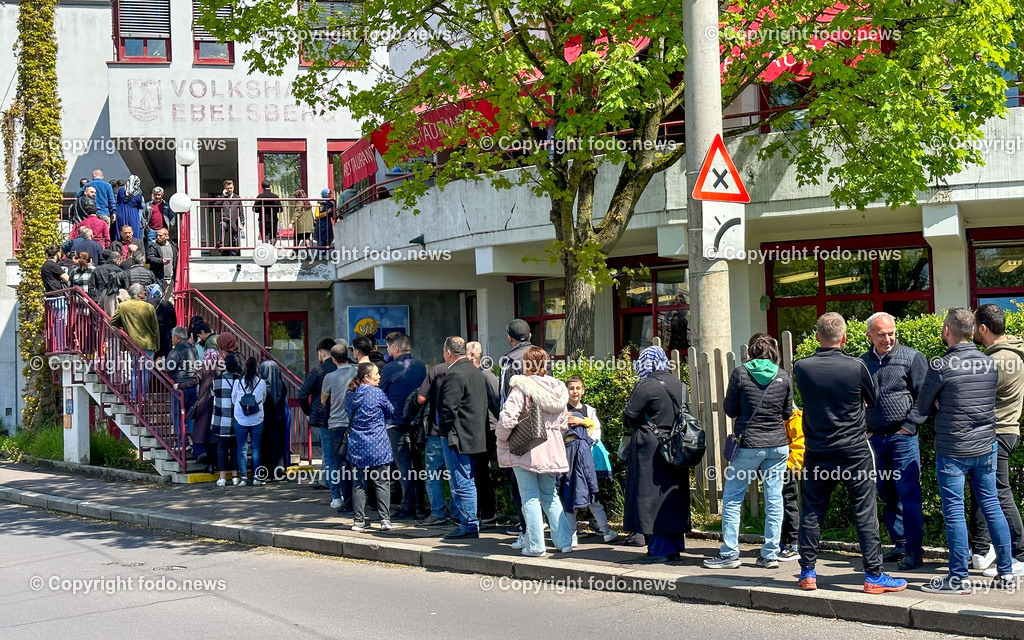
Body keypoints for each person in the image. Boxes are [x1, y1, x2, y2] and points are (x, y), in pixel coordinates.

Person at [793, 312, 906, 594]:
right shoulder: (856, 367)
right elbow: (872, 400)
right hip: (854, 449)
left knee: (812, 510)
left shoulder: (801, 367)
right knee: (865, 511)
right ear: (844, 338)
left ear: (817, 337)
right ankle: (874, 576)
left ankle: (807, 572)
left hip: (818, 449)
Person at [916, 309, 1015, 593]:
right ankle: (1006, 573)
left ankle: (958, 578)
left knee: (955, 511)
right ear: (972, 331)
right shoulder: (988, 363)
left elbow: (922, 407)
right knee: (992, 505)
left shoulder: (940, 366)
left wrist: (938, 405)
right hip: (986, 445)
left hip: (953, 448)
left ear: (948, 330)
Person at [705, 334, 792, 570]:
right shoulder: (783, 376)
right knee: (775, 500)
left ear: (751, 352)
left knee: (733, 498)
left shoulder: (740, 374)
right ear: (773, 352)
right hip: (777, 446)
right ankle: (770, 554)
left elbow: (730, 409)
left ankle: (730, 553)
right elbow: (786, 412)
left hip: (749, 446)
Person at [860, 312, 929, 571]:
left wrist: (910, 427)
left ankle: (914, 551)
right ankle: (899, 543)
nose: (888, 339)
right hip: (876, 439)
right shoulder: (862, 363)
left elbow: (924, 397)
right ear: (870, 336)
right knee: (887, 493)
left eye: (891, 333)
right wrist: (866, 428)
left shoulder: (911, 357)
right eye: (881, 334)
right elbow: (856, 399)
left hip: (903, 438)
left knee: (909, 493)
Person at [496, 346, 572, 556]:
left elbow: (508, 418)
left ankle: (536, 545)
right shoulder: (558, 388)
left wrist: (501, 438)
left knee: (529, 497)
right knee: (551, 495)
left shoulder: (522, 386)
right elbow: (564, 423)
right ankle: (565, 542)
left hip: (526, 448)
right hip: (552, 448)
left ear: (526, 365)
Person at [621, 346, 690, 564]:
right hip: (677, 445)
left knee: (650, 497)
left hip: (650, 449)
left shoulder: (647, 384)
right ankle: (674, 548)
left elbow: (629, 416)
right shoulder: (679, 384)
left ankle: (659, 549)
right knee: (672, 495)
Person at [970, 304, 1024, 576]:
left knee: (999, 493)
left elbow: (976, 400)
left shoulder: (996, 361)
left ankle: (1019, 554)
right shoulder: (1013, 352)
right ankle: (984, 548)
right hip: (1007, 429)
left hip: (997, 432)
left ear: (983, 328)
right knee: (987, 491)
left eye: (975, 328)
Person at [438, 336, 489, 539]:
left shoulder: (455, 373)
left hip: (459, 437)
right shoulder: (475, 371)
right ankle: (468, 522)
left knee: (462, 482)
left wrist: (443, 430)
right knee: (468, 479)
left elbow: (448, 408)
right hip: (475, 434)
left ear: (448, 352)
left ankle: (468, 524)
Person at [562, 375, 617, 546]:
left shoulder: (589, 410)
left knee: (591, 493)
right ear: (566, 391)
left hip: (586, 460)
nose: (575, 392)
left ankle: (605, 529)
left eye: (578, 388)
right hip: (568, 460)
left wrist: (582, 422)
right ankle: (572, 534)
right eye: (571, 388)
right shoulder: (561, 410)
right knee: (570, 494)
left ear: (583, 390)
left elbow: (596, 433)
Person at [379, 333, 427, 519]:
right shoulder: (421, 366)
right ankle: (421, 505)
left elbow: (380, 392)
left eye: (389, 347)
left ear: (396, 349)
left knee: (404, 466)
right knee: (418, 465)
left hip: (396, 422)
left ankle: (408, 506)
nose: (388, 351)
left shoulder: (389, 368)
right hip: (417, 422)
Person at [345, 361, 396, 531]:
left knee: (358, 484)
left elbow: (347, 412)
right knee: (382, 483)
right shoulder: (377, 393)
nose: (379, 377)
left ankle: (358, 521)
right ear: (367, 377)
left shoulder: (351, 394)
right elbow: (391, 411)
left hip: (357, 445)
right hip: (378, 444)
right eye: (376, 374)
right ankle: (385, 520)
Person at [499, 319, 535, 535]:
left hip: (519, 428)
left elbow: (505, 396)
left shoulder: (508, 360)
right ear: (530, 336)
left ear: (510, 338)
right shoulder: (541, 356)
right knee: (546, 483)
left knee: (520, 482)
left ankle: (526, 529)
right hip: (544, 426)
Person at [298, 338, 340, 492]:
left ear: (322, 353)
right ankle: (344, 487)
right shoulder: (343, 368)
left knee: (328, 455)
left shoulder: (318, 370)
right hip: (343, 416)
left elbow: (302, 395)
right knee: (342, 455)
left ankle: (334, 491)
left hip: (323, 417)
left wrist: (308, 412)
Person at [321, 343, 359, 512]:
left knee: (341, 465)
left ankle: (348, 503)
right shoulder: (358, 371)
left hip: (336, 424)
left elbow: (323, 400)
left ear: (334, 359)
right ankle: (361, 501)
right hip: (356, 423)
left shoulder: (329, 377)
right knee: (357, 464)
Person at [414, 361, 451, 526]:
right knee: (458, 474)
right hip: (460, 432)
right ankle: (459, 513)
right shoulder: (469, 369)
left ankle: (437, 512)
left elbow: (421, 398)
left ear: (447, 352)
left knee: (433, 473)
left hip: (436, 429)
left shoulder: (437, 370)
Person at [468, 341, 500, 525]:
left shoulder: (486, 375)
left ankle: (489, 512)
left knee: (485, 471)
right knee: (480, 471)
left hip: (490, 428)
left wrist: (499, 422)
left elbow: (497, 398)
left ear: (472, 356)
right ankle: (485, 512)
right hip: (479, 429)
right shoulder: (472, 375)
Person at [178, 335, 222, 469]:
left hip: (204, 404)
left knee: (200, 433)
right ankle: (217, 463)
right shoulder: (221, 368)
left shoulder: (203, 367)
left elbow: (194, 381)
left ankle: (206, 459)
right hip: (218, 404)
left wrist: (179, 386)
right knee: (215, 436)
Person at [110, 284, 159, 402]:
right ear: (139, 294)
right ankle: (142, 395)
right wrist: (157, 345)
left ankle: (134, 395)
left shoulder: (123, 306)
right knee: (146, 370)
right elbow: (155, 328)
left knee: (135, 370)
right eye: (143, 291)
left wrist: (125, 326)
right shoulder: (149, 307)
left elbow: (113, 321)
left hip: (132, 343)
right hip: (148, 343)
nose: (144, 293)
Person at [232, 356, 268, 486]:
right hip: (257, 419)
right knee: (255, 447)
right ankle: (256, 477)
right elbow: (263, 399)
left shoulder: (238, 382)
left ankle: (243, 477)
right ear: (257, 368)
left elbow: (233, 398)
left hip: (240, 418)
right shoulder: (262, 383)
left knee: (241, 448)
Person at [167, 326, 201, 453]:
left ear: (176, 337)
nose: (171, 339)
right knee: (190, 417)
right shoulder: (193, 348)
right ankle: (197, 445)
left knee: (176, 416)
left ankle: (183, 442)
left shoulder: (176, 350)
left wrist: (160, 363)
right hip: (192, 386)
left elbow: (168, 367)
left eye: (172, 337)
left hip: (179, 387)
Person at [779, 404, 805, 561]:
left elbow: (799, 444)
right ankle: (784, 541)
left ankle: (792, 543)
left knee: (789, 503)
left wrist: (790, 467)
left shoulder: (795, 418)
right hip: (783, 465)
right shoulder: (787, 417)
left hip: (788, 467)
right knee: (780, 504)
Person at [258, 358, 289, 482]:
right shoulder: (282, 385)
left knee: (265, 446)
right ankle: (279, 470)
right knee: (278, 444)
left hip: (265, 420)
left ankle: (266, 472)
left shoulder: (261, 385)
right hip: (279, 420)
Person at [213, 352, 242, 486]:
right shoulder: (240, 380)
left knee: (221, 448)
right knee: (235, 447)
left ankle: (222, 477)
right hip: (237, 420)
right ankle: (236, 476)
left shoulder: (217, 380)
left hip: (221, 420)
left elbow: (212, 393)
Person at [146, 227, 177, 293]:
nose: (158, 237)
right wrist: (161, 261)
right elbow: (150, 258)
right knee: (159, 298)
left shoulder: (173, 246)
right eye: (157, 235)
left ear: (167, 236)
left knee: (170, 299)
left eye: (160, 236)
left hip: (171, 278)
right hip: (158, 277)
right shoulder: (154, 246)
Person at [115, 175, 144, 243]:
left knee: (120, 230)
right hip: (132, 213)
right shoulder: (138, 194)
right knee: (132, 232)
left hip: (120, 212)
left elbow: (118, 200)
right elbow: (139, 206)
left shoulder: (121, 190)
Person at [218, 179, 243, 256]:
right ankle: (220, 245)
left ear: (233, 188)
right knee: (222, 225)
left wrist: (242, 222)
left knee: (234, 239)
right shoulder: (221, 197)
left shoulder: (237, 198)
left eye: (231, 188)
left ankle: (233, 255)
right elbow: (216, 205)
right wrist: (223, 196)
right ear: (225, 188)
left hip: (234, 221)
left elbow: (241, 211)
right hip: (225, 219)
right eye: (228, 188)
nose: (229, 190)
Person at [255, 179, 283, 243]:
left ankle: (266, 248)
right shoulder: (275, 197)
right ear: (270, 186)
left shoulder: (259, 197)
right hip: (273, 219)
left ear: (262, 187)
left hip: (262, 219)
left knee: (264, 237)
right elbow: (280, 209)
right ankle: (272, 247)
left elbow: (255, 209)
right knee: (273, 236)